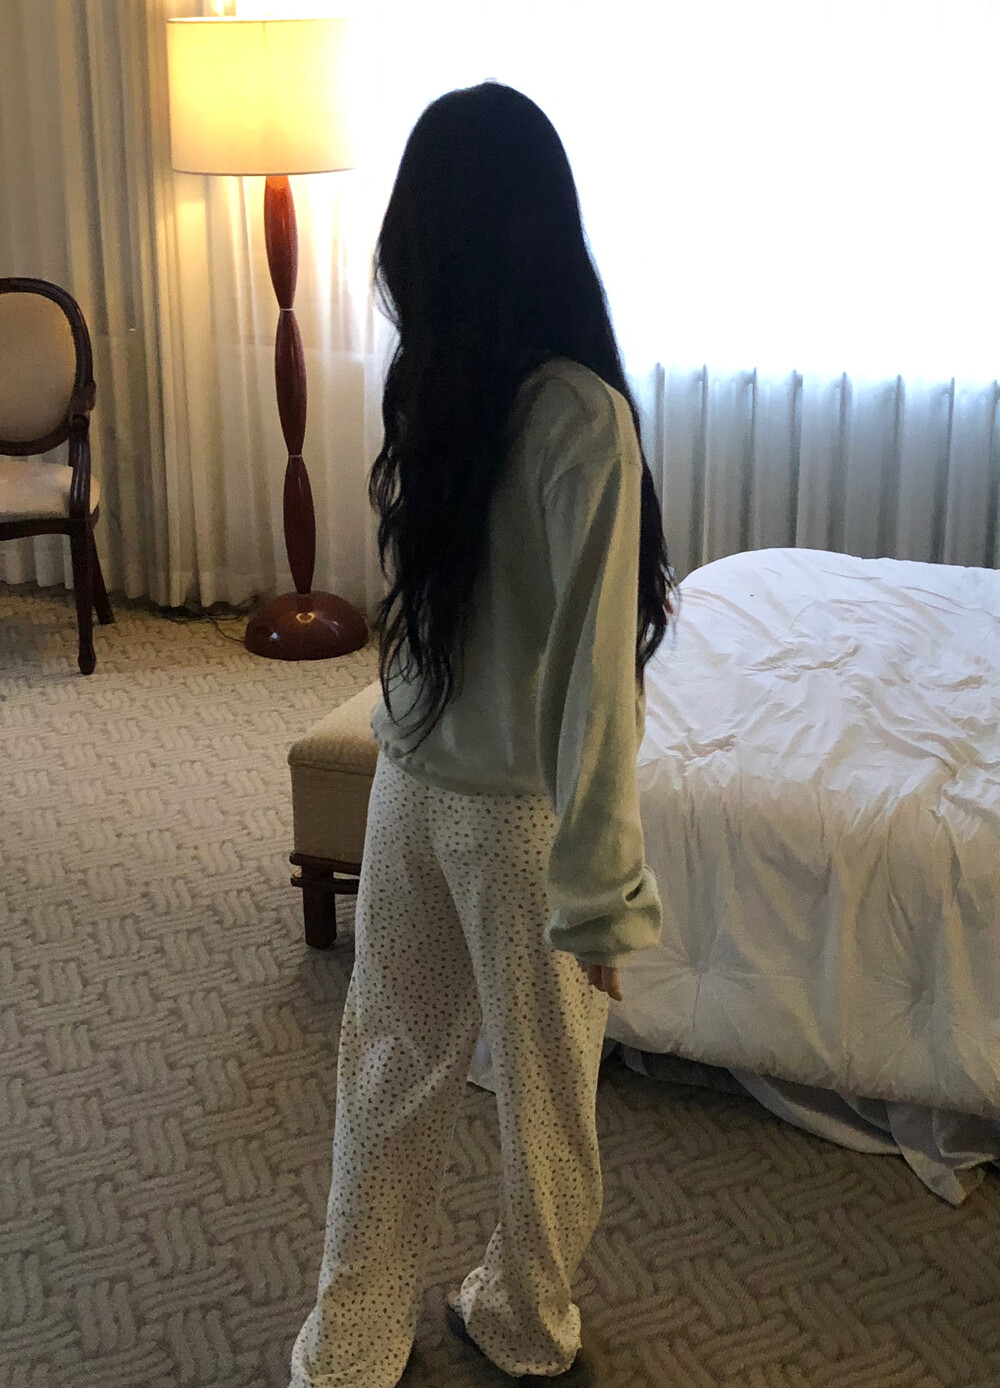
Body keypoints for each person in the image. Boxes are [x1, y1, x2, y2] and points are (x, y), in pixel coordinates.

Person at [288, 81, 676, 1388]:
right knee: (547, 1105)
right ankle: (521, 1320)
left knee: (389, 1070)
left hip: (406, 788)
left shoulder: (429, 386)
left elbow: (427, 616)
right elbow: (596, 686)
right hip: (520, 821)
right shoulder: (585, 417)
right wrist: (604, 896)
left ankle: (348, 1342)